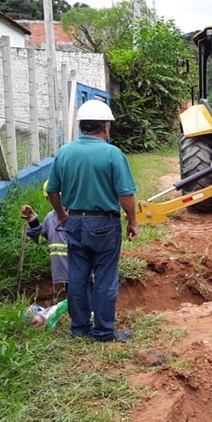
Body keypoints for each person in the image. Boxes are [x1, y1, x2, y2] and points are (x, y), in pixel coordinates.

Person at [45, 99, 139, 343]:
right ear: (106, 127)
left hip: (74, 222)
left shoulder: (65, 153)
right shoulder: (112, 154)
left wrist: (63, 215)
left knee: (77, 277)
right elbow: (125, 195)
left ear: (81, 127)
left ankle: (79, 328)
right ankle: (104, 332)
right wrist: (132, 222)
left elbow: (52, 192)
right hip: (104, 225)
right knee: (106, 278)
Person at [20, 181, 70, 299]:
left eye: (60, 197)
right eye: (50, 198)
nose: (56, 201)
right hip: (62, 273)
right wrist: (33, 222)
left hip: (80, 272)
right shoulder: (50, 218)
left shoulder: (77, 216)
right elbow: (43, 240)